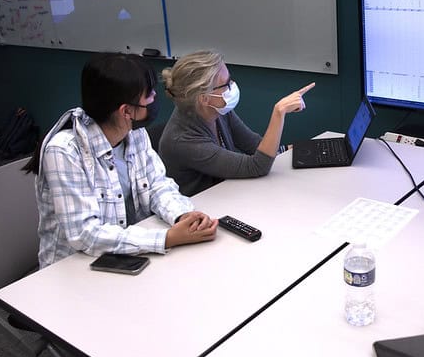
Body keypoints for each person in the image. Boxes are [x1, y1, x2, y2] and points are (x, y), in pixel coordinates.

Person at [24, 52, 219, 269]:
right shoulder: (64, 152)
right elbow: (84, 234)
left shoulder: (134, 134)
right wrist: (166, 238)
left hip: (124, 257)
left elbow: (158, 186)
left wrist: (182, 215)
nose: (156, 97)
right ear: (126, 111)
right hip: (72, 269)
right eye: (150, 94)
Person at [158, 50, 315, 196]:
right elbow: (257, 166)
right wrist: (279, 113)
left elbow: (254, 146)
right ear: (204, 98)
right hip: (203, 212)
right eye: (226, 84)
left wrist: (287, 151)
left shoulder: (217, 110)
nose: (232, 86)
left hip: (228, 196)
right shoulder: (182, 141)